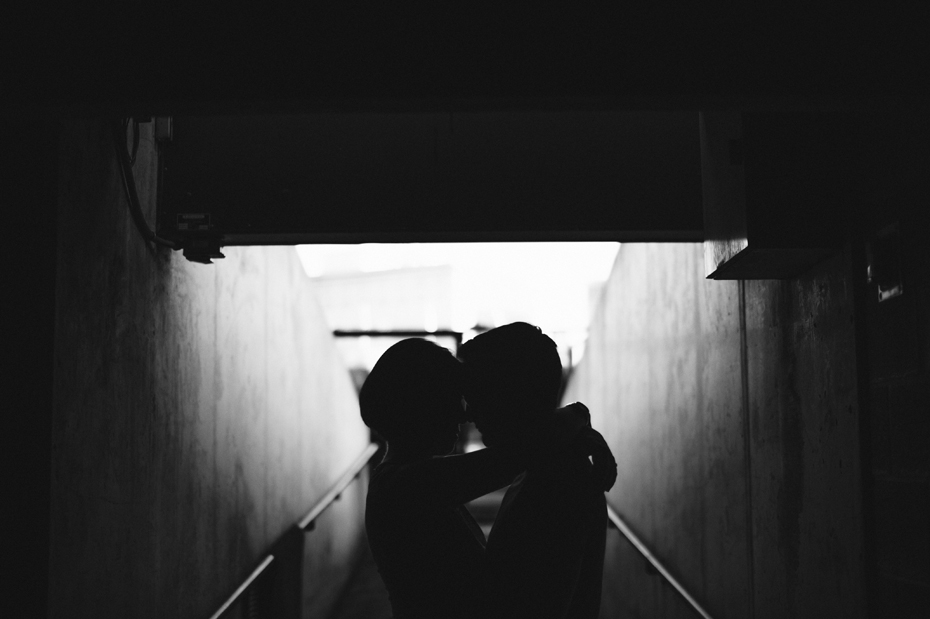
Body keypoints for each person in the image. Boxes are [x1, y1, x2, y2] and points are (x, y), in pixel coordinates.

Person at [360, 337, 615, 619]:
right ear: (419, 403)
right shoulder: (404, 487)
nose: (463, 412)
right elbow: (514, 456)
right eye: (451, 396)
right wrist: (576, 418)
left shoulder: (405, 483)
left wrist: (574, 425)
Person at [458, 322, 609, 619]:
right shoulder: (549, 468)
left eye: (478, 394)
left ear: (510, 395)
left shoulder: (556, 485)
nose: (468, 412)